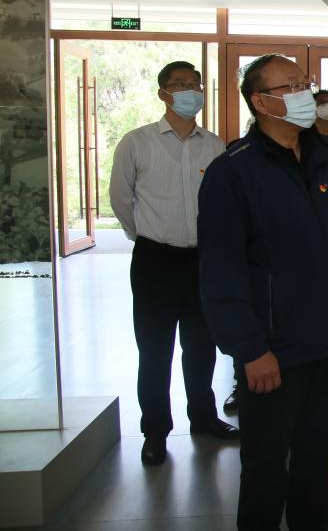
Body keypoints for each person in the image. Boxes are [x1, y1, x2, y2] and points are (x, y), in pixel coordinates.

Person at [198, 54, 328, 530]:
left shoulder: (325, 160)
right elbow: (221, 271)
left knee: (318, 460)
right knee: (265, 468)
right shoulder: (233, 171)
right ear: (260, 102)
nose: (304, 95)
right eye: (290, 87)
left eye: (305, 84)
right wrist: (250, 349)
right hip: (274, 350)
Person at [109, 60, 236, 467]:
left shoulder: (213, 145)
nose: (189, 91)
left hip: (201, 259)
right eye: (180, 85)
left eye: (195, 84)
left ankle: (203, 417)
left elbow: (222, 201)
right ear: (163, 93)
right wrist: (145, 235)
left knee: (201, 346)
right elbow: (121, 198)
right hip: (155, 260)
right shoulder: (137, 142)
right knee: (154, 349)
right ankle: (155, 430)